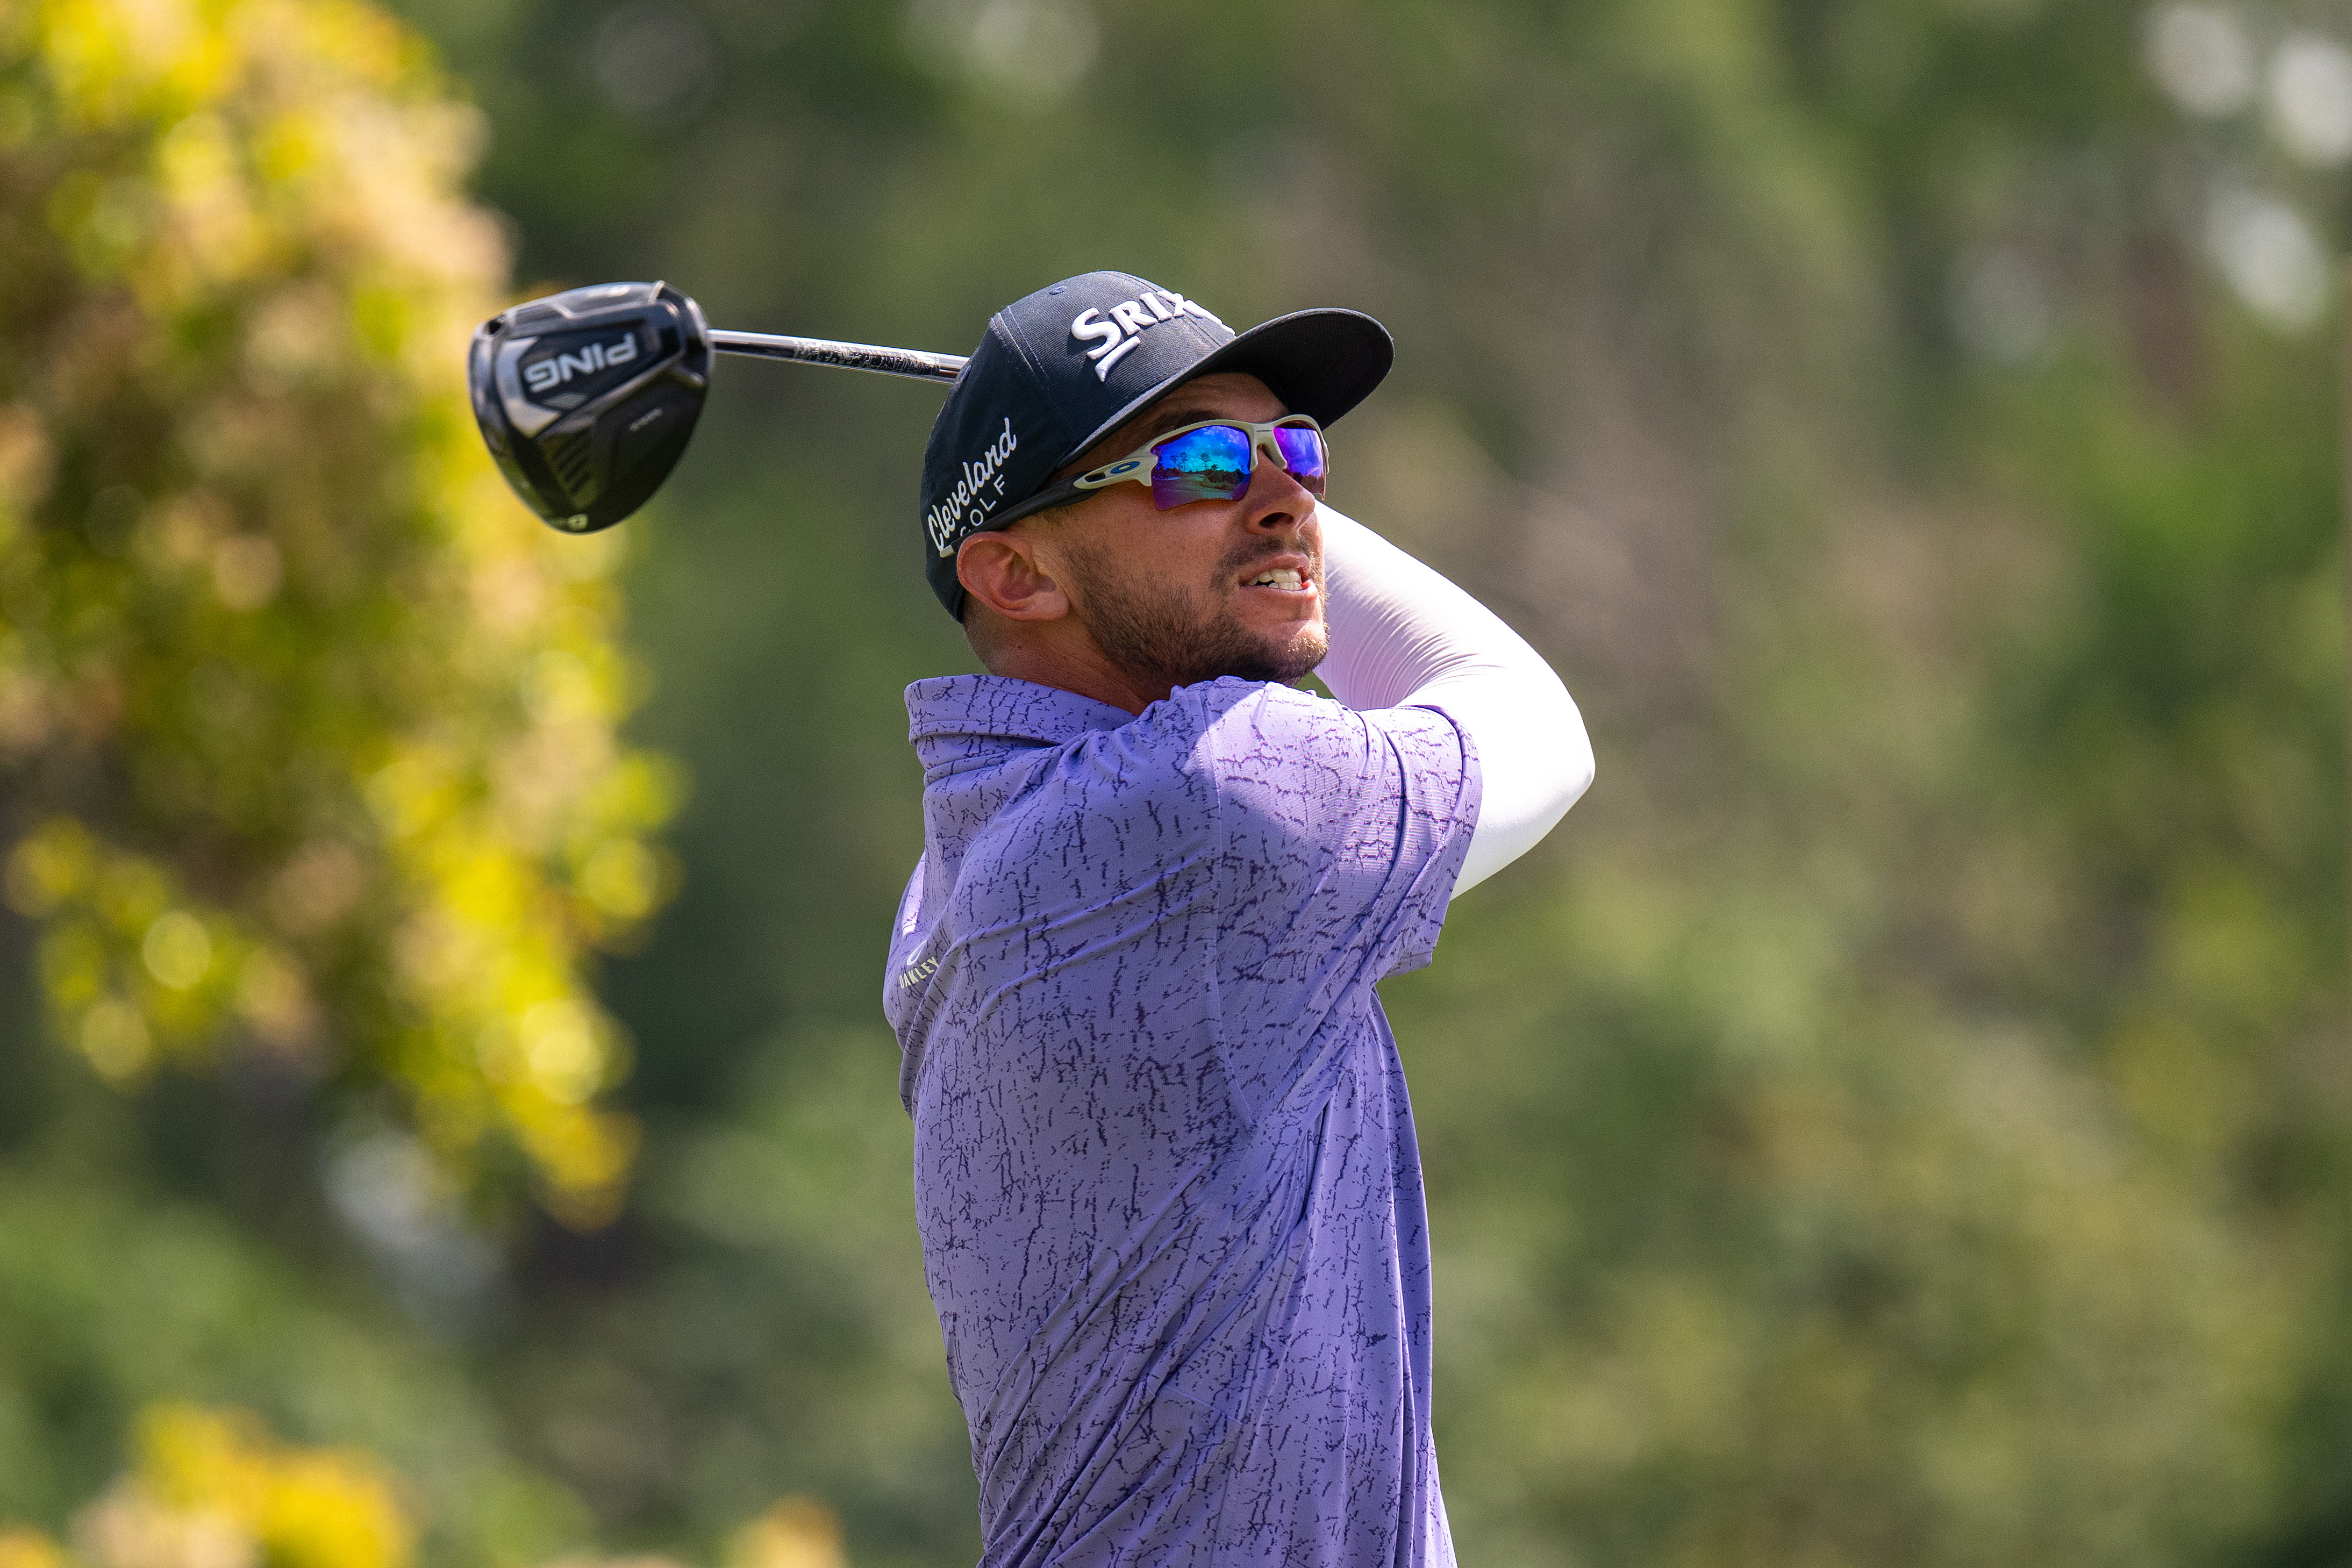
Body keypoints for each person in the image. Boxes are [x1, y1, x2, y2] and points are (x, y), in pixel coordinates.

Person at [884, 271, 1593, 1567]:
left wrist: (1235, 500)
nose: (1291, 498)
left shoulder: (961, 860)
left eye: (1299, 450)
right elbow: (1531, 719)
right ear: (1013, 571)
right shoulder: (1210, 800)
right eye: (1199, 463)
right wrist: (1283, 534)